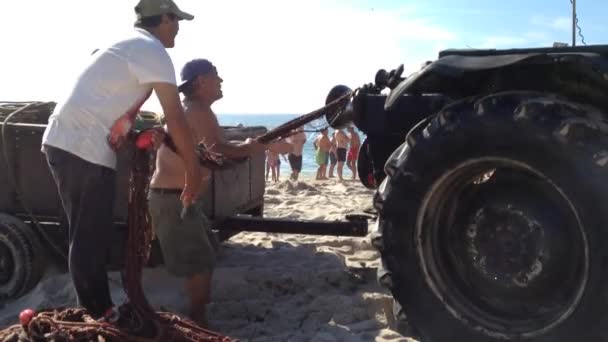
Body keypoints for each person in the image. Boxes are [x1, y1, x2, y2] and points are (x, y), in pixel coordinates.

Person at [40, 0, 203, 324]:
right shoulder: (152, 50)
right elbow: (177, 118)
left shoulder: (126, 46)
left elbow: (106, 104)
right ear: (166, 18)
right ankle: (101, 314)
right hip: (80, 147)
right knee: (89, 237)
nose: (179, 28)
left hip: (74, 143)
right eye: (177, 20)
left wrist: (137, 133)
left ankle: (99, 308)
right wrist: (194, 170)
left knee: (90, 234)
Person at [149, 58, 267, 327]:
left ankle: (196, 316)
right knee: (200, 264)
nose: (221, 81)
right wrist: (251, 147)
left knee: (205, 257)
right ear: (201, 82)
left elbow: (215, 147)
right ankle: (197, 323)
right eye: (216, 75)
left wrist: (247, 145)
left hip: (179, 196)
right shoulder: (197, 110)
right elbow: (221, 151)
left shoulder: (193, 109)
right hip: (174, 198)